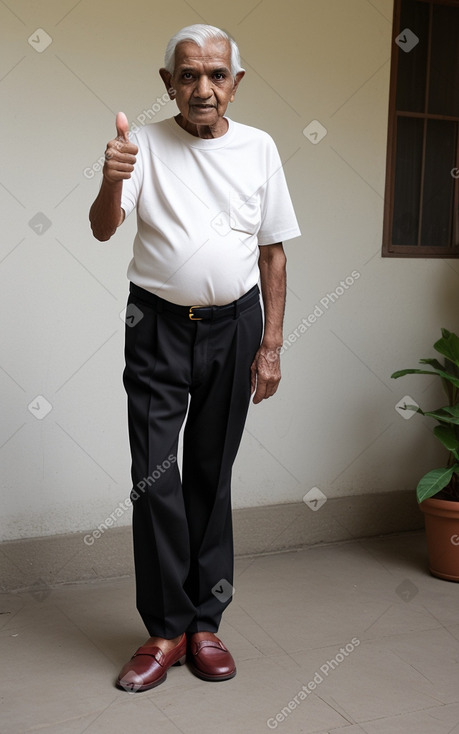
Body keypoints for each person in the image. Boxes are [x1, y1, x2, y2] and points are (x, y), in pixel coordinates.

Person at [89, 23, 300, 692]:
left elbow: (272, 252)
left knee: (211, 475)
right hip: (153, 325)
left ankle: (205, 623)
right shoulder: (141, 144)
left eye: (215, 75)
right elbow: (102, 229)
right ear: (168, 84)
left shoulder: (259, 148)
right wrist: (109, 178)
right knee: (154, 476)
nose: (201, 87)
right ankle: (164, 628)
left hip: (234, 328)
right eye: (188, 75)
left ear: (234, 84)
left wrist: (269, 346)